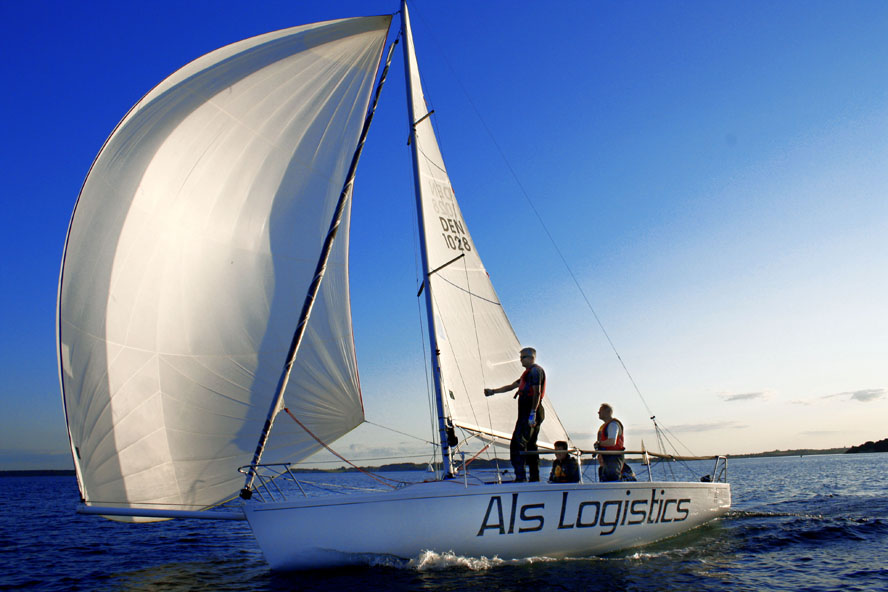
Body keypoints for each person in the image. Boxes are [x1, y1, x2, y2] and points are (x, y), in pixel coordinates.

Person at [484, 347, 546, 482]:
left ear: (531, 358)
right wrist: (493, 391)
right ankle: (533, 477)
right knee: (530, 444)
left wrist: (532, 413)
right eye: (520, 357)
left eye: (523, 357)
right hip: (526, 412)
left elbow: (537, 392)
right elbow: (512, 386)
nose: (520, 360)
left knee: (518, 443)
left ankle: (521, 476)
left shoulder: (536, 371)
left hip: (531, 411)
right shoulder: (527, 374)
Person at [595, 403, 624, 482]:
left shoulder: (613, 425)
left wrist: (599, 444)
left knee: (612, 477)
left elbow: (612, 442)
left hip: (613, 457)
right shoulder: (606, 426)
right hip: (606, 457)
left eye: (600, 411)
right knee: (606, 477)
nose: (598, 412)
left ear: (607, 412)